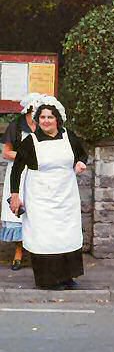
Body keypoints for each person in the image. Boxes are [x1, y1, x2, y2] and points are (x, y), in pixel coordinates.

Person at [10, 96, 87, 290]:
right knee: (46, 237)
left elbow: (82, 153)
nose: (45, 121)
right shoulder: (31, 142)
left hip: (66, 194)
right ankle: (48, 279)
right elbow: (17, 168)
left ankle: (68, 276)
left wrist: (80, 163)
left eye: (49, 117)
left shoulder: (69, 136)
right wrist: (15, 195)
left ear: (57, 119)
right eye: (42, 117)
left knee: (66, 234)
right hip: (40, 196)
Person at [1, 93, 39, 270]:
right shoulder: (16, 125)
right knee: (19, 210)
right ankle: (18, 252)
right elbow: (6, 152)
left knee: (37, 210)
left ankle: (41, 252)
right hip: (19, 172)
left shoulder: (44, 126)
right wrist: (24, 156)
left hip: (38, 173)